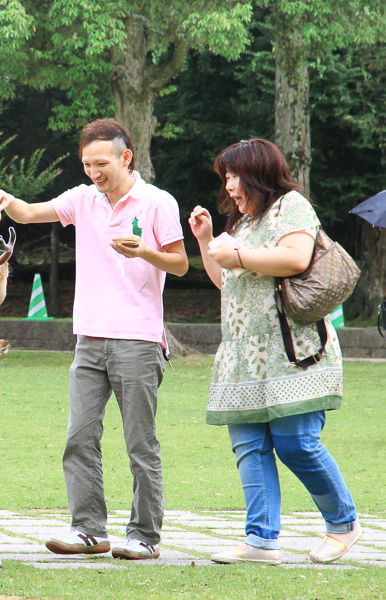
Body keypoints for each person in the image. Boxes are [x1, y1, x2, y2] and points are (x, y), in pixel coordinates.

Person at [0, 118, 188, 560]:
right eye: (87, 164)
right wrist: (3, 198)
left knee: (140, 442)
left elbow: (180, 264)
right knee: (79, 436)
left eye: (101, 163)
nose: (94, 172)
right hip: (88, 339)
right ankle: (89, 531)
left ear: (125, 157)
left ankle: (145, 537)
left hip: (138, 339)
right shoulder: (82, 200)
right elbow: (28, 211)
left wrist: (144, 251)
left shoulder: (156, 203)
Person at [188, 138, 362, 565]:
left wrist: (240, 254)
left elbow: (295, 258)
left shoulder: (291, 206)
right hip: (243, 358)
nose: (228, 186)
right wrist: (208, 239)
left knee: (297, 443)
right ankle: (261, 541)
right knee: (249, 445)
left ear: (257, 174)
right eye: (225, 177)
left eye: (233, 176)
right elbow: (226, 280)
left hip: (293, 353)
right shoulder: (242, 225)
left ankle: (344, 525)